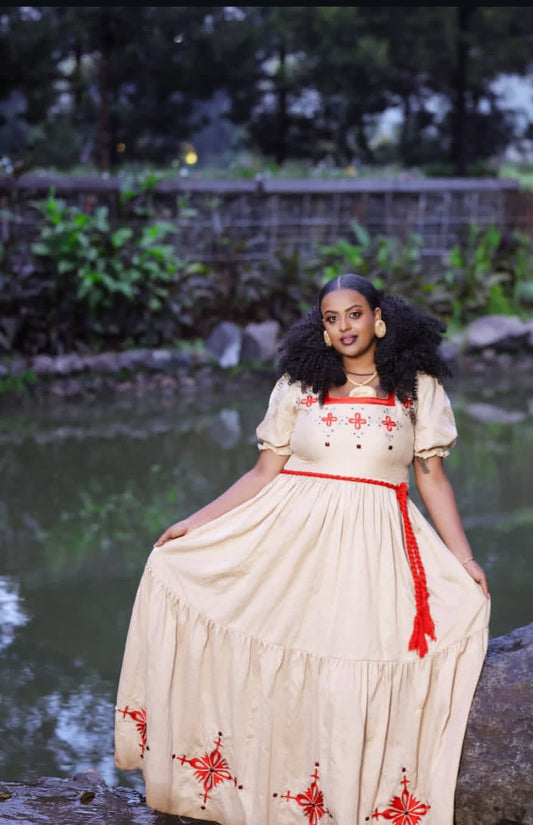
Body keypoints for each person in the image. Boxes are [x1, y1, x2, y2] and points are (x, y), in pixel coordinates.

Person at [115, 273, 490, 825]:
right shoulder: (300, 384)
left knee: (348, 670)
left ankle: (342, 804)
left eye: (354, 314)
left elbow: (432, 480)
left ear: (379, 317)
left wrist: (463, 560)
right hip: (290, 544)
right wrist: (193, 523)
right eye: (331, 318)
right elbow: (265, 471)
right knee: (267, 654)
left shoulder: (415, 387)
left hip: (374, 546)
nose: (344, 327)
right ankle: (258, 799)